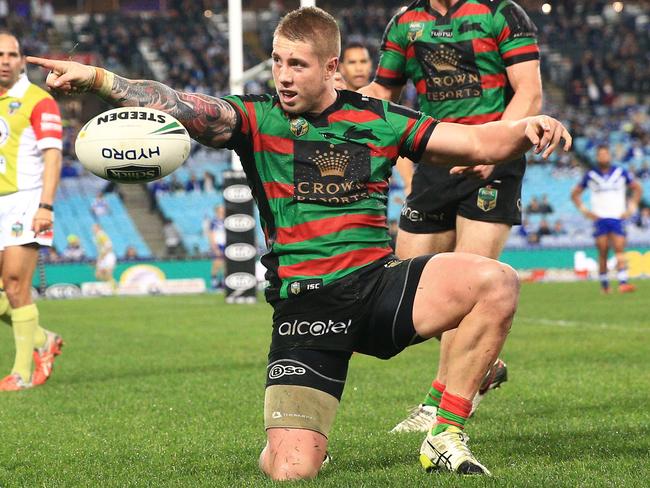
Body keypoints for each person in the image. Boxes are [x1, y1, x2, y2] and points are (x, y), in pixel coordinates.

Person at [27, 6, 570, 478]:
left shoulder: (380, 118)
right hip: (305, 310)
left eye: (297, 64)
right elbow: (178, 103)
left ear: (331, 67)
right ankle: (294, 441)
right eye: (278, 61)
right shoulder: (255, 118)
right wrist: (100, 79)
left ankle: (445, 433)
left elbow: (474, 140)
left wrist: (530, 125)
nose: (282, 76)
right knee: (292, 470)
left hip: (377, 287)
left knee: (495, 280)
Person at [359, 0, 543, 432]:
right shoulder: (406, 22)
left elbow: (529, 92)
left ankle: (438, 404)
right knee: (406, 280)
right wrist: (333, 99)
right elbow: (384, 92)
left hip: (495, 158)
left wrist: (495, 145)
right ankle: (487, 364)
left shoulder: (501, 13)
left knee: (470, 279)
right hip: (436, 157)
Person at [0, 31, 64, 391]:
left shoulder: (38, 101)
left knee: (14, 284)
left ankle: (21, 372)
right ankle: (44, 340)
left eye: (12, 54)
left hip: (25, 201)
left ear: (22, 61)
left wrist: (45, 206)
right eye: (0, 54)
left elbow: (53, 156)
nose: (6, 60)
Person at [571, 145, 642, 294]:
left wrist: (631, 208)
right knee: (603, 251)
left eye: (606, 154)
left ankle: (623, 283)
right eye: (601, 155)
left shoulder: (620, 172)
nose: (603, 157)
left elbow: (637, 188)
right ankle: (605, 286)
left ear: (609, 156)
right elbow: (575, 194)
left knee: (620, 248)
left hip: (617, 217)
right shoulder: (590, 175)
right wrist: (586, 211)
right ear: (597, 157)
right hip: (600, 218)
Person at [205, 205, 225, 289]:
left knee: (225, 264)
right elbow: (211, 234)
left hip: (226, 244)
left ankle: (224, 283)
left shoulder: (227, 221)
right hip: (218, 244)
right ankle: (214, 283)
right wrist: (215, 247)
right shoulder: (213, 222)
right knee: (217, 263)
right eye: (221, 210)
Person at [92, 223, 117, 289]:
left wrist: (103, 255)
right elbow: (100, 248)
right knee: (99, 274)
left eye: (94, 227)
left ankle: (114, 287)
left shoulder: (101, 234)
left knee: (107, 272)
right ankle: (110, 286)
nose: (92, 229)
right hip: (103, 255)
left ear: (99, 228)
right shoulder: (97, 236)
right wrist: (100, 257)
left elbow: (109, 246)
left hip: (108, 255)